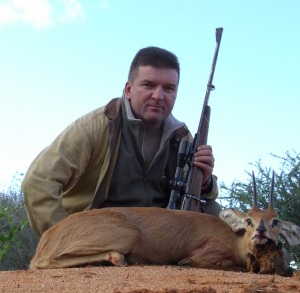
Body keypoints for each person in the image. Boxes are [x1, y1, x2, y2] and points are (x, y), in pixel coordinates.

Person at [22, 46, 221, 237]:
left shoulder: (181, 137)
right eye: (148, 85)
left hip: (158, 238)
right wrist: (65, 239)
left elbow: (204, 195)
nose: (158, 96)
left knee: (217, 214)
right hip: (100, 234)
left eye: (168, 88)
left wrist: (204, 182)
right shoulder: (95, 127)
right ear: (128, 89)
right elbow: (39, 181)